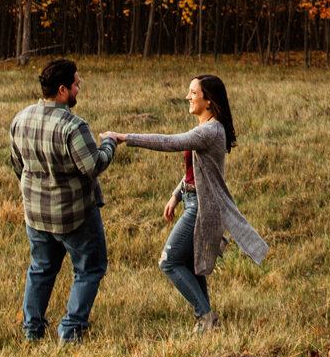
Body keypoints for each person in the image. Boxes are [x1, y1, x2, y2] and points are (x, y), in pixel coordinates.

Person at [104, 74, 268, 332]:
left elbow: (169, 142)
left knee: (168, 262)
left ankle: (205, 316)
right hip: (193, 199)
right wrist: (176, 194)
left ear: (209, 100)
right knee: (194, 266)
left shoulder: (210, 131)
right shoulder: (207, 128)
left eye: (193, 93)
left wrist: (126, 137)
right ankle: (208, 320)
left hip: (202, 206)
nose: (187, 97)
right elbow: (196, 171)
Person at [8, 57, 117, 343]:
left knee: (41, 268)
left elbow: (17, 165)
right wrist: (109, 144)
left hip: (36, 215)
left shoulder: (21, 119)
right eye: (76, 85)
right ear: (61, 89)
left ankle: (33, 329)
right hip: (75, 216)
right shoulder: (73, 126)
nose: (79, 90)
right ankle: (71, 329)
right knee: (90, 267)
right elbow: (92, 165)